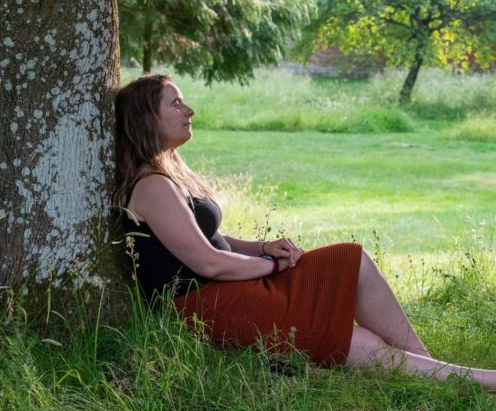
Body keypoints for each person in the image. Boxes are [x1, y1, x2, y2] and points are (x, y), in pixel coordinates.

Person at [114, 73, 496, 392]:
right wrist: (269, 265)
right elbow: (207, 261)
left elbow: (211, 240)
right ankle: (474, 381)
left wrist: (263, 247)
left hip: (231, 288)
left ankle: (440, 372)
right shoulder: (152, 187)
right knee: (359, 342)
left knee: (350, 260)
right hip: (209, 306)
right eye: (176, 104)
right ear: (148, 118)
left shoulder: (168, 176)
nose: (189, 110)